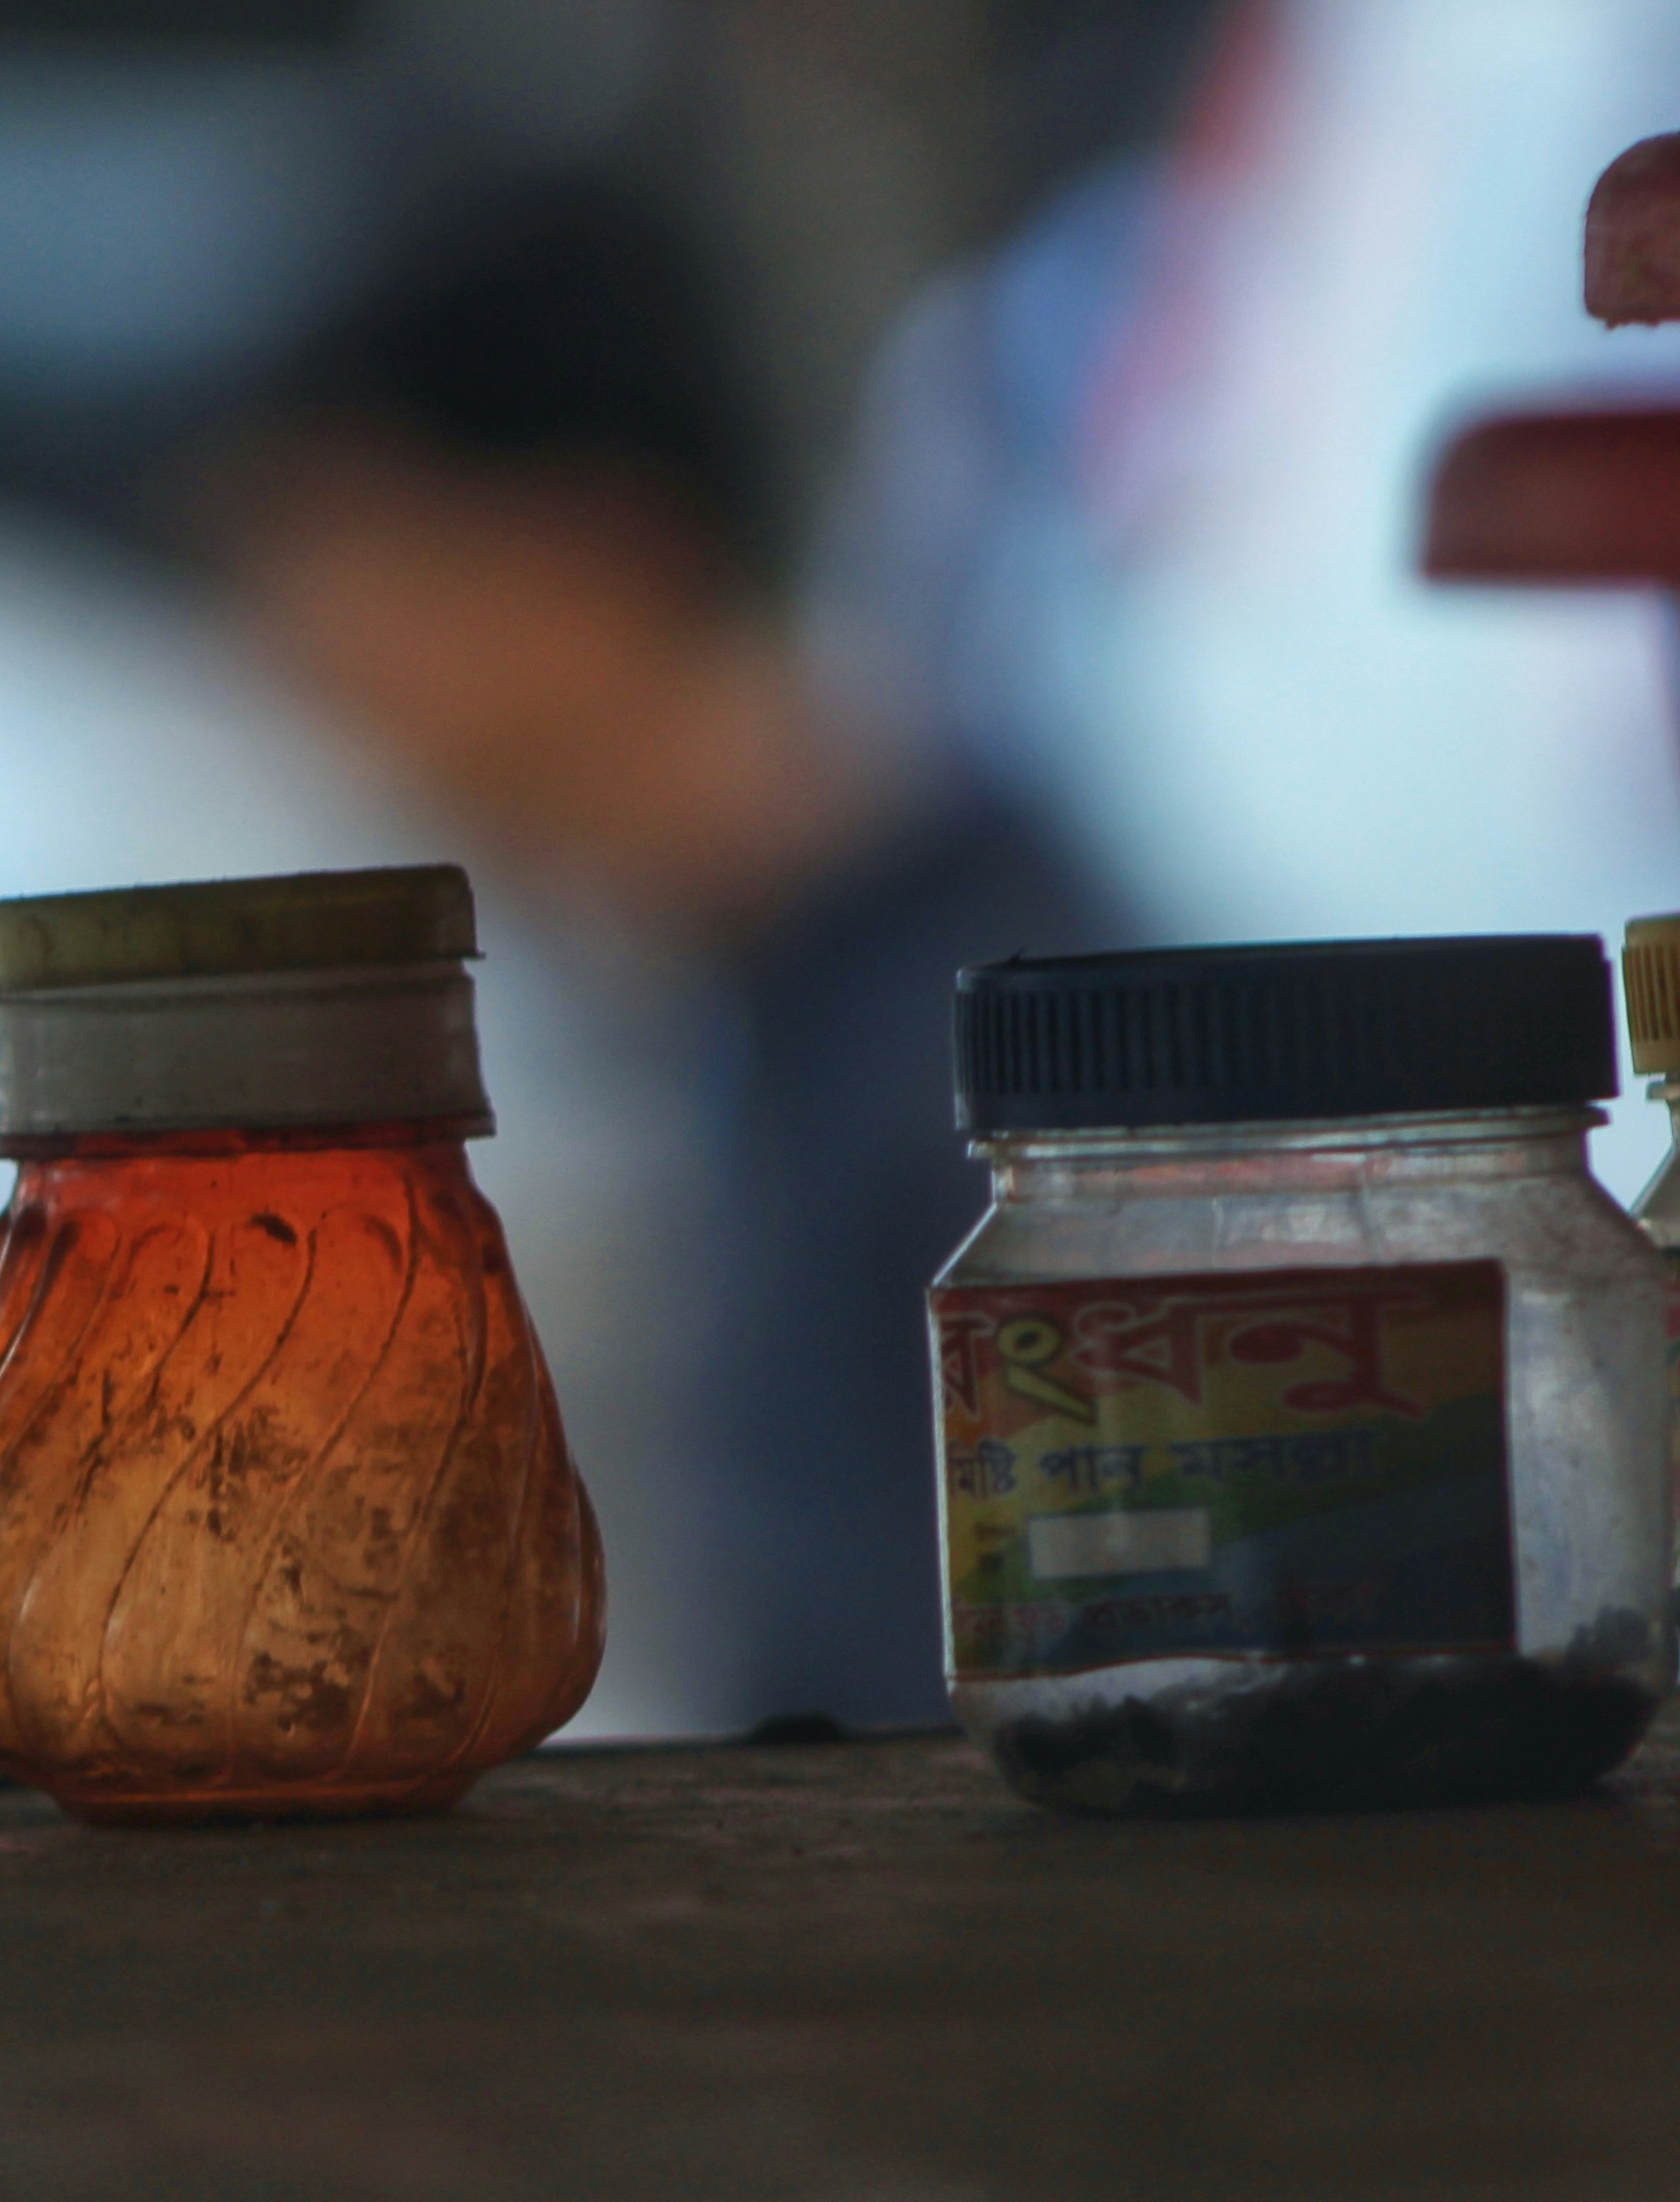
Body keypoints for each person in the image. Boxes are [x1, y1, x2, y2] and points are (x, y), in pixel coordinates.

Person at [209, 176, 1127, 1729]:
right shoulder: (766, 974)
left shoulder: (971, 1058)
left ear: (586, 554)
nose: (290, 656)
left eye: (338, 555)